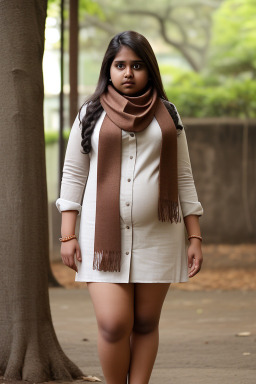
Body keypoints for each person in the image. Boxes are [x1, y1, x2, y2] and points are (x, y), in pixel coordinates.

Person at [56, 30, 203, 384]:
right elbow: (74, 173)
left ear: (149, 69)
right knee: (113, 324)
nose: (128, 73)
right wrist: (67, 234)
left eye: (137, 65)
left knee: (146, 323)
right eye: (120, 65)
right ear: (108, 69)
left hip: (159, 235)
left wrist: (194, 236)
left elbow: (183, 175)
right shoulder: (90, 113)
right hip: (100, 238)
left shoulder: (168, 114)